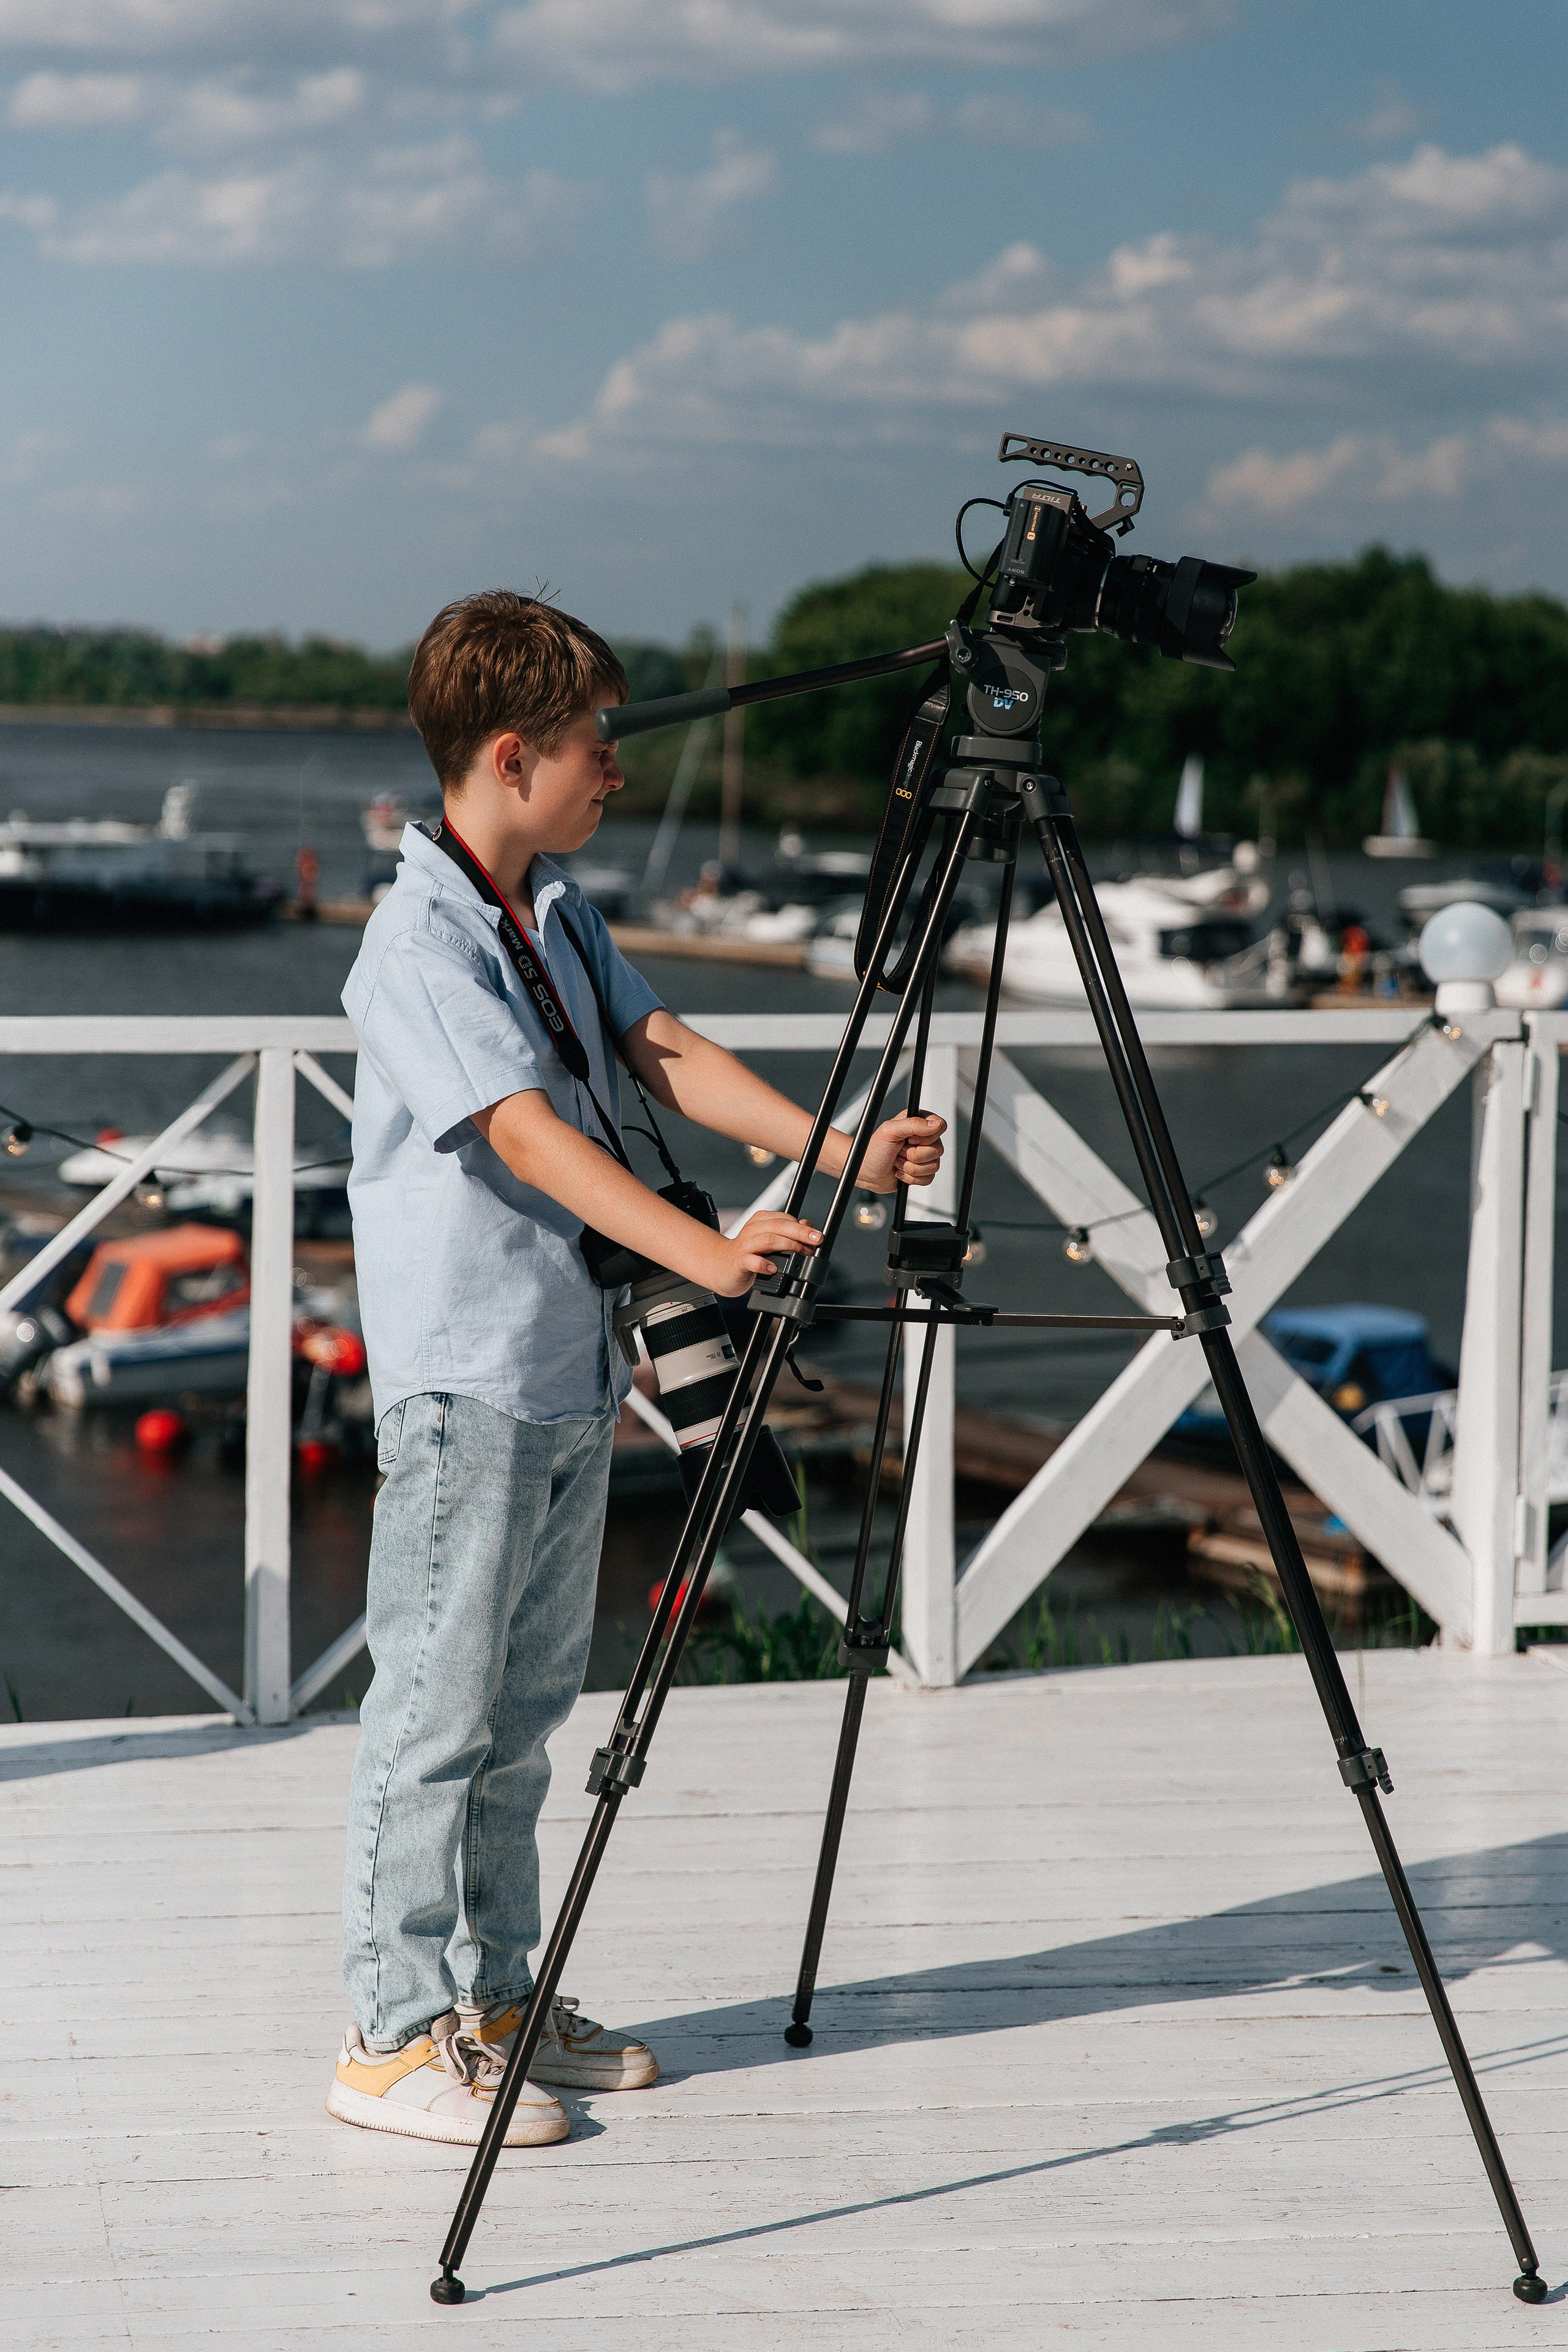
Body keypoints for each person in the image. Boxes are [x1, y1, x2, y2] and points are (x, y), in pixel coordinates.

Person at [328, 589, 946, 2147]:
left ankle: (497, 2001)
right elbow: (523, 1132)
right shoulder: (418, 940)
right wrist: (700, 1256)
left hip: (559, 1370)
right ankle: (390, 2032)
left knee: (525, 1709)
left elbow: (662, 1050)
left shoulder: (554, 913)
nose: (620, 769)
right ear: (513, 750)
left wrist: (835, 1148)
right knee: (434, 1708)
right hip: (465, 1380)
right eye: (602, 742)